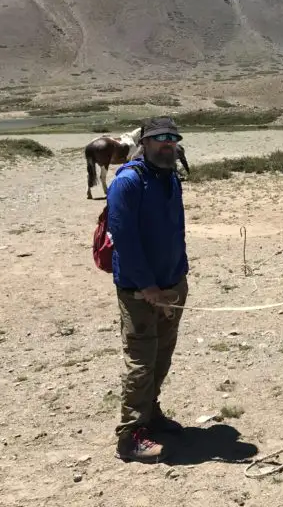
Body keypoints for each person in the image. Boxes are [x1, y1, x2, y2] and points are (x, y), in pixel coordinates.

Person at [108, 116, 190, 463]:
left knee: (163, 354)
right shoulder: (128, 182)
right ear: (145, 142)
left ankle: (150, 413)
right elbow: (123, 240)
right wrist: (149, 286)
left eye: (172, 138)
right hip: (140, 291)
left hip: (172, 284)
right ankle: (130, 436)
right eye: (159, 139)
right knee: (141, 361)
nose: (167, 144)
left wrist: (177, 279)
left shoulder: (170, 176)